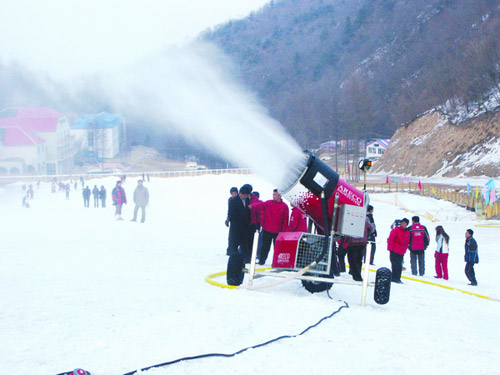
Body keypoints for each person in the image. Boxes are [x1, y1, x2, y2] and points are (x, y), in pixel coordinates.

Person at [250, 189, 289, 265]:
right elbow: (260, 205)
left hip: (278, 231)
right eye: (273, 194)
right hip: (267, 230)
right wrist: (252, 206)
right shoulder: (269, 203)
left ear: (280, 196)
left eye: (275, 195)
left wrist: (283, 232)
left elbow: (285, 220)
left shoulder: (284, 206)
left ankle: (276, 262)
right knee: (265, 247)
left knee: (277, 248)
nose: (273, 196)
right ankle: (262, 261)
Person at [226, 185, 252, 285]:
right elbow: (232, 215)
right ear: (241, 193)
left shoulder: (248, 201)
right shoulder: (233, 201)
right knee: (234, 251)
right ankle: (233, 275)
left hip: (245, 231)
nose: (245, 196)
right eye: (244, 194)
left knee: (243, 252)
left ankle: (241, 270)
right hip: (236, 230)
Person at [346, 217, 373, 282]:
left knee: (352, 260)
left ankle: (356, 276)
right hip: (362, 242)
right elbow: (371, 228)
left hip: (352, 242)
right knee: (359, 259)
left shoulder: (350, 220)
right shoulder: (364, 221)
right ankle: (357, 274)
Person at [387, 218, 410, 283]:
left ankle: (397, 278)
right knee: (395, 265)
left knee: (399, 265)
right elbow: (391, 239)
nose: (404, 225)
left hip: (401, 251)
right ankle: (394, 278)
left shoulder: (407, 232)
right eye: (403, 223)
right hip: (394, 250)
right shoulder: (396, 230)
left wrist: (404, 250)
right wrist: (390, 249)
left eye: (405, 224)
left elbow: (407, 242)